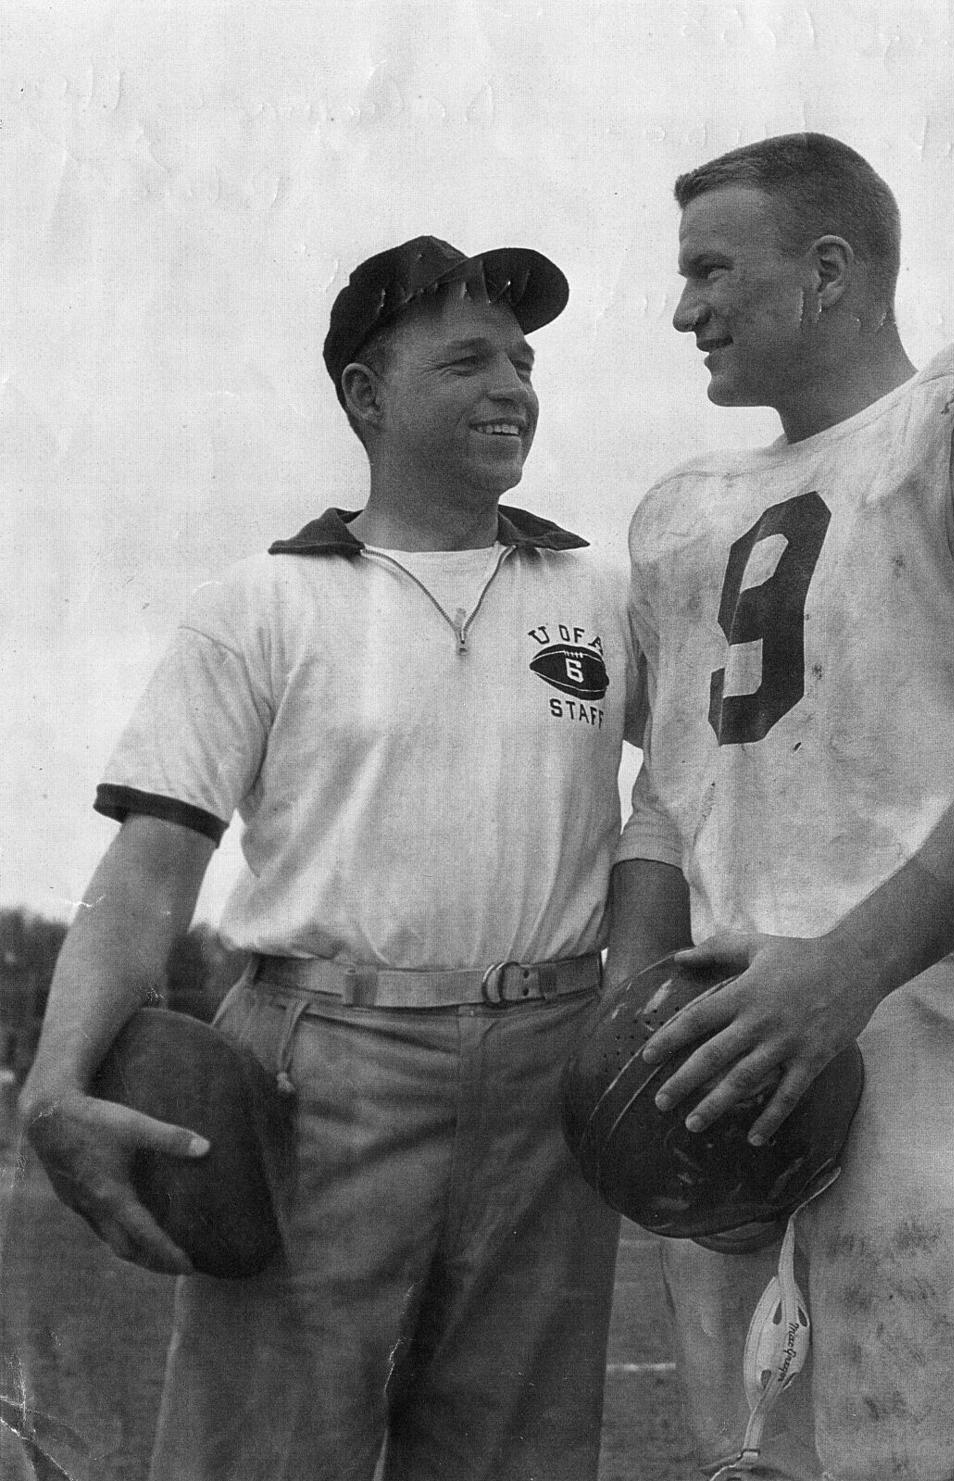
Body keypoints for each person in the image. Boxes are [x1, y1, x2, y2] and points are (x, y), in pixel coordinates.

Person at [19, 236, 636, 1481]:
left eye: (523, 359)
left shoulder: (609, 593)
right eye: (468, 359)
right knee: (265, 1457)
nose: (513, 384)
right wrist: (56, 1072)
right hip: (319, 1072)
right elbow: (152, 865)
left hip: (550, 1069)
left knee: (518, 1460)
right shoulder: (263, 600)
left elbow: (698, 803)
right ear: (366, 396)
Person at [606, 134, 954, 1480]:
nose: (683, 310)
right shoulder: (679, 519)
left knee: (904, 1458)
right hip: (723, 1040)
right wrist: (633, 1024)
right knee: (742, 1458)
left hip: (921, 1009)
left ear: (829, 270)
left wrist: (836, 976)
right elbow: (666, 803)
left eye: (711, 270)